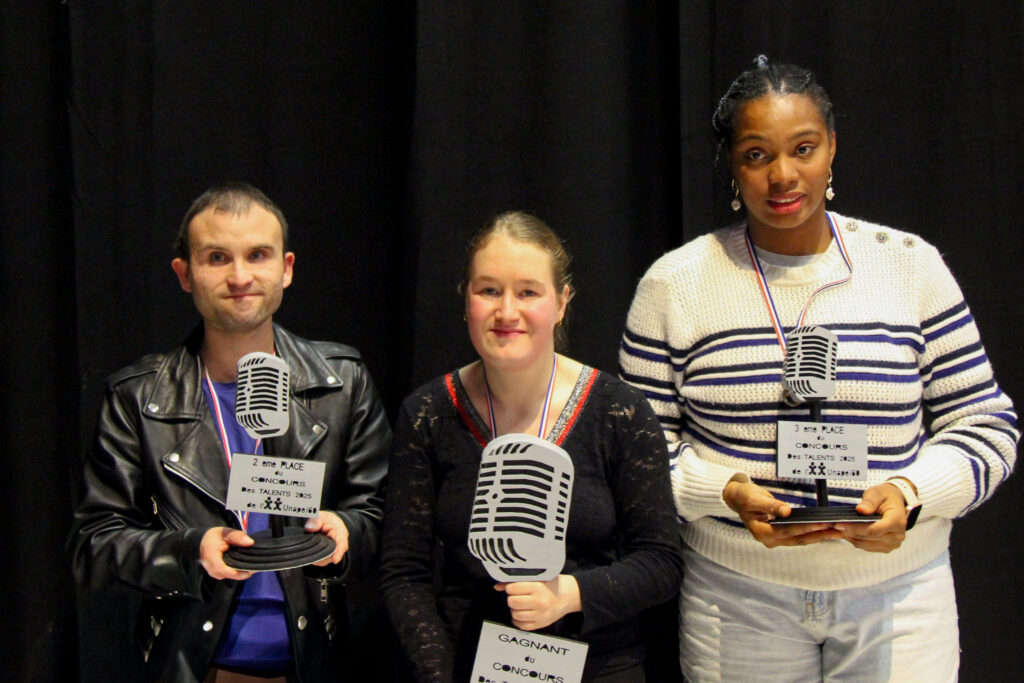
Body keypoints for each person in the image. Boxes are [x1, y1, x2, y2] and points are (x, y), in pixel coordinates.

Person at [619, 56, 1019, 682]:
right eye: (756, 155)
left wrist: (911, 496)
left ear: (832, 148)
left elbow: (987, 428)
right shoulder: (675, 284)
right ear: (731, 164)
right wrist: (722, 492)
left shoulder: (910, 266)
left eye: (803, 148)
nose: (783, 175)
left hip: (900, 597)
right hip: (738, 598)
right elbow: (637, 454)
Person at [70, 183, 391, 682]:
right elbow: (94, 545)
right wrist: (189, 551)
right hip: (193, 669)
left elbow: (382, 519)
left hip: (314, 665)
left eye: (257, 255)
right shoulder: (138, 397)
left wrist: (348, 533)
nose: (240, 276)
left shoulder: (342, 383)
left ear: (285, 268)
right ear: (185, 274)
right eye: (217, 257)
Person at [380, 212, 684, 682]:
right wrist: (440, 675)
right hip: (470, 664)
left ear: (562, 302)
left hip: (598, 664)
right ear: (466, 300)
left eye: (528, 292)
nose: (506, 311)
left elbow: (661, 562)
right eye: (488, 290)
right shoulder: (426, 414)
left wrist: (568, 594)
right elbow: (404, 574)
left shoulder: (619, 412)